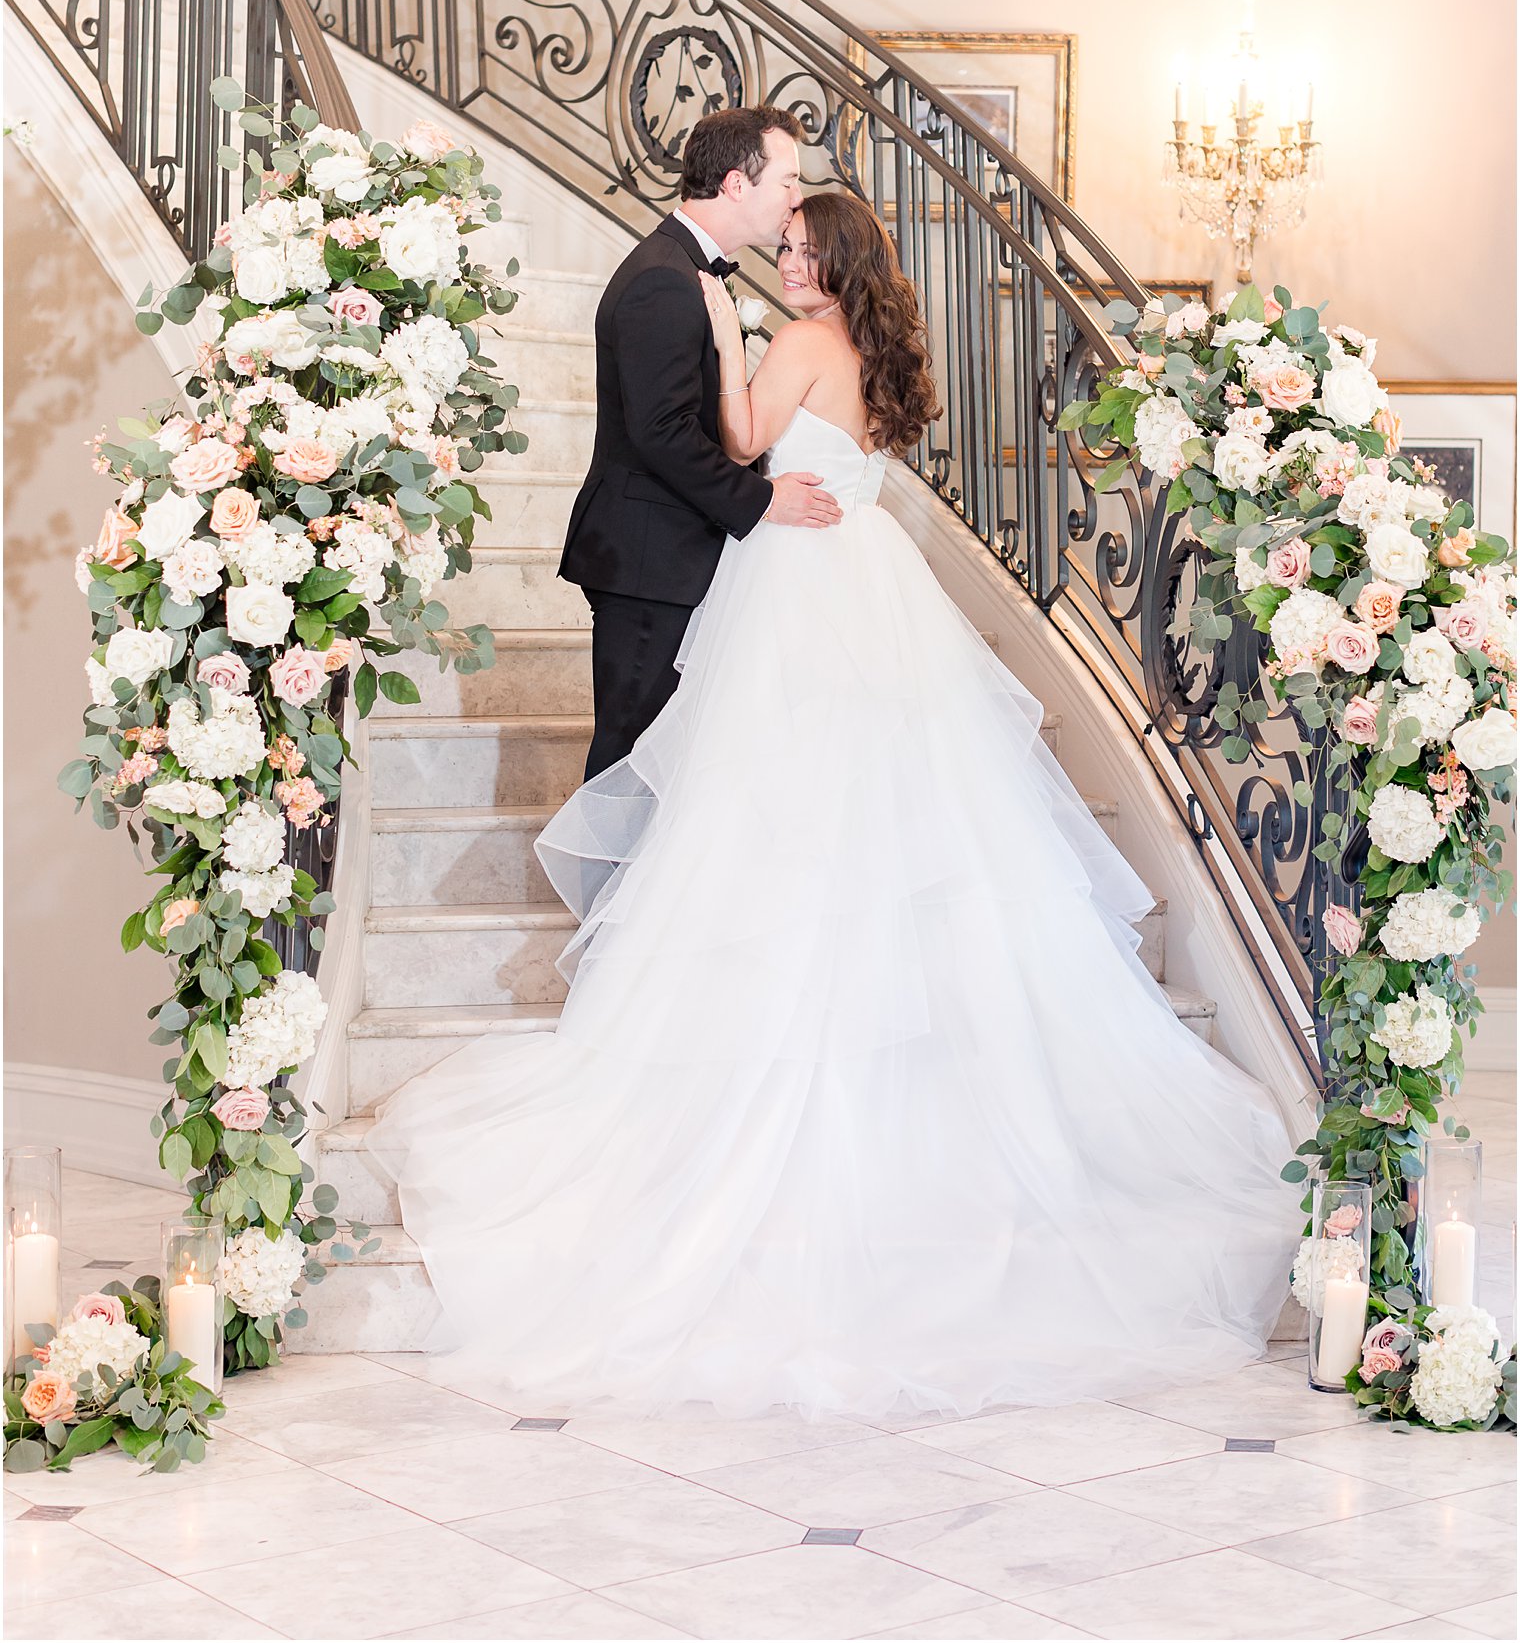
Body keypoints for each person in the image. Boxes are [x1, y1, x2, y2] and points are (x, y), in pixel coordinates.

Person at [367, 193, 1300, 1420]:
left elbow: (744, 443)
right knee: (872, 811)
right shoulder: (869, 355)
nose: (786, 261)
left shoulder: (794, 342)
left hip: (800, 589)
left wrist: (720, 336)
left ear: (838, 264)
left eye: (804, 250)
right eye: (785, 245)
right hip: (864, 577)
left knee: (776, 808)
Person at [558, 106, 841, 782]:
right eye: (787, 180)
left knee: (666, 758)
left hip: (671, 551)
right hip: (649, 558)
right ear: (738, 183)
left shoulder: (690, 268)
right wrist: (762, 499)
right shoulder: (664, 277)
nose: (795, 199)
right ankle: (610, 892)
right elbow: (662, 433)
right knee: (630, 756)